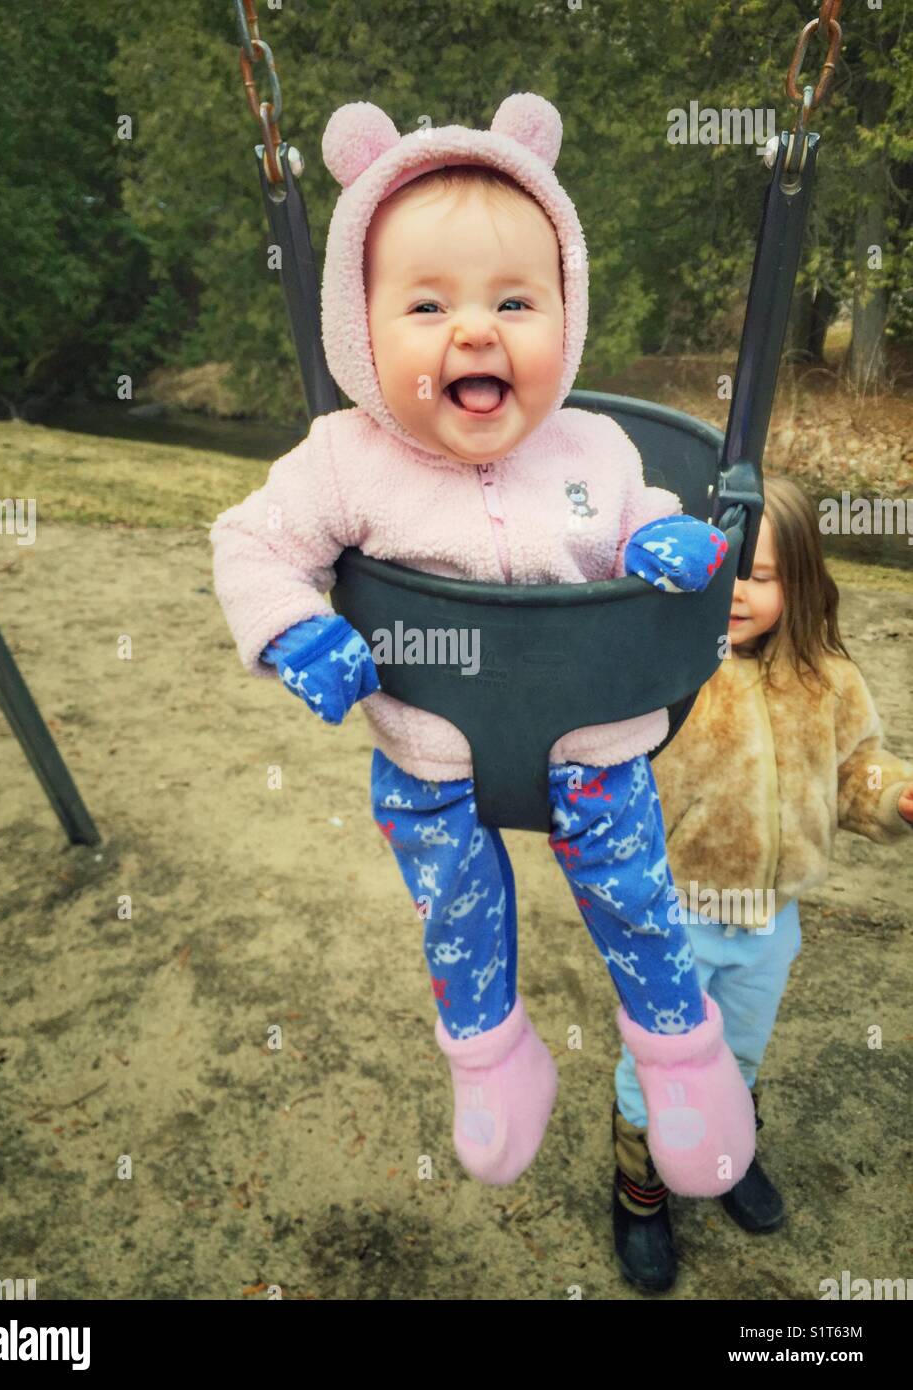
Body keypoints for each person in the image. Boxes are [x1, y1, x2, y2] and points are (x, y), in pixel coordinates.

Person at [210, 93, 757, 1196]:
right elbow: (249, 543)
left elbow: (637, 505)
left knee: (639, 909)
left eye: (515, 299)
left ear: (566, 309)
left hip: (596, 752)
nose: (476, 330)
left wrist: (661, 537)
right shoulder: (340, 458)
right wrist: (295, 629)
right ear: (359, 331)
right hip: (429, 763)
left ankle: (682, 1057)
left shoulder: (593, 443)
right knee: (454, 918)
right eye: (425, 305)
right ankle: (494, 1060)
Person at [610, 474, 913, 1292]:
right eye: (723, 567)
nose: (737, 590)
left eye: (763, 574)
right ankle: (640, 1194)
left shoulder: (829, 678)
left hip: (769, 923)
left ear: (803, 578)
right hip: (669, 920)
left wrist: (896, 794)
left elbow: (859, 770)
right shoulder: (661, 671)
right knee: (658, 1067)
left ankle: (728, 1149)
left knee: (740, 1051)